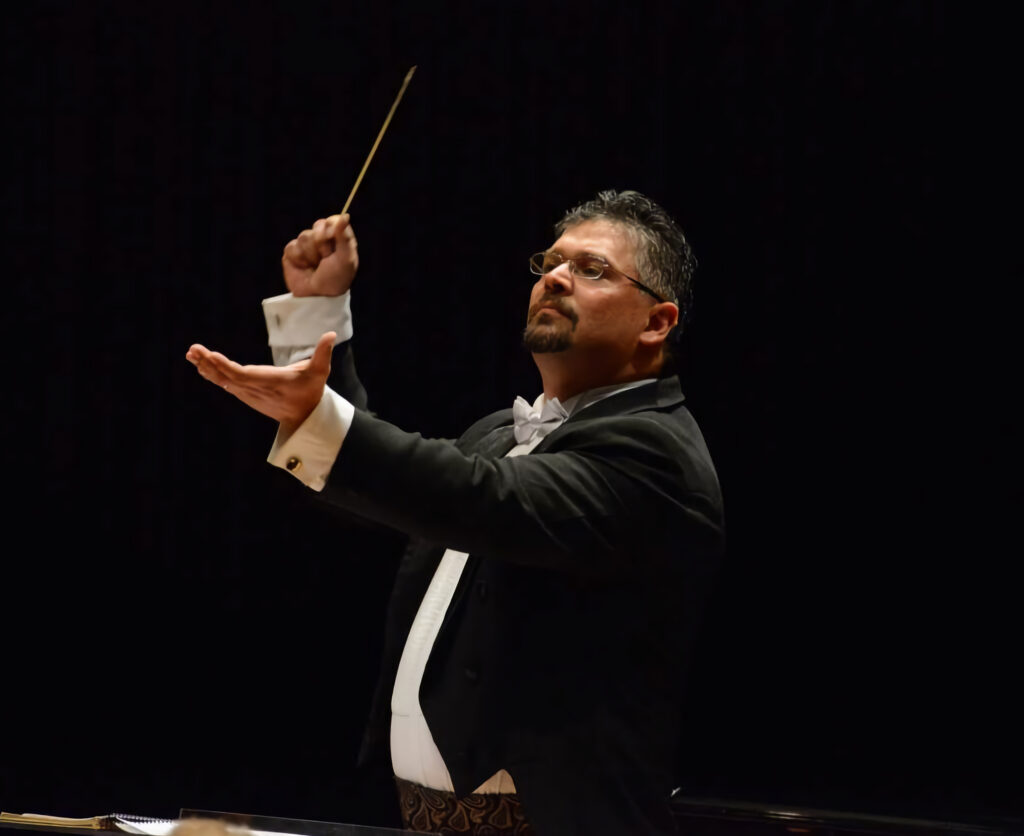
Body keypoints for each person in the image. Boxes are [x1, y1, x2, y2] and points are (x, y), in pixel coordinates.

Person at [185, 190, 725, 835]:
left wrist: (318, 420)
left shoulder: (656, 452)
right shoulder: (499, 433)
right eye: (550, 262)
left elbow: (475, 497)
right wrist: (316, 312)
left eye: (591, 269)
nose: (554, 277)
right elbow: (389, 494)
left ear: (656, 322)